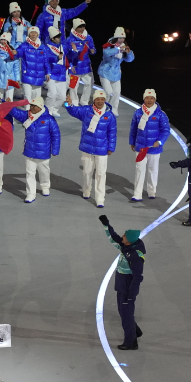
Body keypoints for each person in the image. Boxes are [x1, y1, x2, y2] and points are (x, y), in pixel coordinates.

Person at [98, 215, 145, 350]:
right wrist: (106, 225)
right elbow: (114, 238)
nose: (122, 236)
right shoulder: (127, 247)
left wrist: (131, 294)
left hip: (127, 289)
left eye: (125, 235)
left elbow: (137, 277)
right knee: (123, 311)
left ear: (129, 240)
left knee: (126, 315)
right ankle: (135, 331)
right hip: (121, 286)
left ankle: (131, 342)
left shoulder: (135, 256)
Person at [64, 90, 117, 208]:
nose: (100, 101)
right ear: (94, 100)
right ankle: (86, 191)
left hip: (102, 149)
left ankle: (100, 198)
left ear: (105, 100)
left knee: (101, 174)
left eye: (102, 99)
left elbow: (112, 133)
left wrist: (111, 147)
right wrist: (68, 104)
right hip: (87, 147)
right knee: (87, 172)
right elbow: (74, 111)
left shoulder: (110, 115)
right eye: (98, 99)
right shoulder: (86, 111)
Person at [8, 96, 61, 202]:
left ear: (40, 106)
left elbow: (56, 135)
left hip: (43, 152)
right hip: (29, 151)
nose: (31, 107)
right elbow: (16, 113)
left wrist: (55, 150)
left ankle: (45, 186)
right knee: (30, 173)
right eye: (31, 105)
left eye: (34, 106)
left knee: (44, 171)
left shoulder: (49, 119)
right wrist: (9, 105)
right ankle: (30, 194)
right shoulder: (26, 116)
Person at [129, 89, 170, 201]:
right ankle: (137, 194)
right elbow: (133, 129)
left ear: (155, 99)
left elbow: (166, 130)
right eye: (147, 98)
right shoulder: (138, 113)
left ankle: (151, 191)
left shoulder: (161, 114)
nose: (149, 100)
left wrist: (160, 141)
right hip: (140, 147)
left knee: (153, 170)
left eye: (152, 98)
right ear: (144, 99)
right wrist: (132, 142)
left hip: (154, 148)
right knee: (139, 170)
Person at [98, 27, 134, 117]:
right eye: (120, 38)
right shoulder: (108, 45)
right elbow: (106, 54)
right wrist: (118, 49)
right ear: (116, 38)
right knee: (108, 92)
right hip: (105, 72)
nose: (122, 40)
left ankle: (113, 109)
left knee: (117, 93)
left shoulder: (124, 46)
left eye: (123, 38)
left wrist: (129, 53)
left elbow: (129, 60)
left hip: (116, 74)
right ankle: (103, 108)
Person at [66, 18, 96, 105]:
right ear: (75, 27)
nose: (82, 28)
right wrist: (73, 51)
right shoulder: (70, 40)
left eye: (83, 26)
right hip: (75, 67)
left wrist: (92, 51)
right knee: (73, 86)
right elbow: (68, 55)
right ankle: (74, 102)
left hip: (86, 66)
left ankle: (84, 101)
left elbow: (93, 49)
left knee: (89, 83)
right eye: (80, 27)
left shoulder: (88, 37)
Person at [45, 26, 70, 117]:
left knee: (62, 96)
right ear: (52, 38)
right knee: (52, 94)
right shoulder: (46, 47)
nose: (59, 39)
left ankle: (54, 109)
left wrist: (74, 51)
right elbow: (46, 59)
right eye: (57, 37)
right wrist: (56, 58)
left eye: (59, 37)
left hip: (62, 74)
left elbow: (70, 56)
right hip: (51, 74)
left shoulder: (63, 47)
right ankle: (47, 110)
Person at [0, 33, 18, 101]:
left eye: (5, 40)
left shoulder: (12, 51)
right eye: (2, 39)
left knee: (9, 100)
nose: (3, 41)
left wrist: (17, 78)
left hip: (10, 79)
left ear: (8, 41)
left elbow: (16, 67)